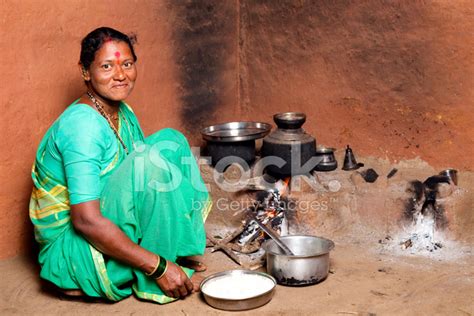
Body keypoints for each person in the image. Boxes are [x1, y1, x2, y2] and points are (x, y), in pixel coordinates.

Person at [29, 27, 212, 304]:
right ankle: (154, 270)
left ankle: (172, 248)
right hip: (75, 251)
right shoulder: (82, 126)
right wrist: (158, 267)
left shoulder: (121, 111)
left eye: (127, 64)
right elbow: (85, 220)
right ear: (85, 72)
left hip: (107, 215)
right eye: (106, 66)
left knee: (170, 141)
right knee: (147, 164)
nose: (120, 75)